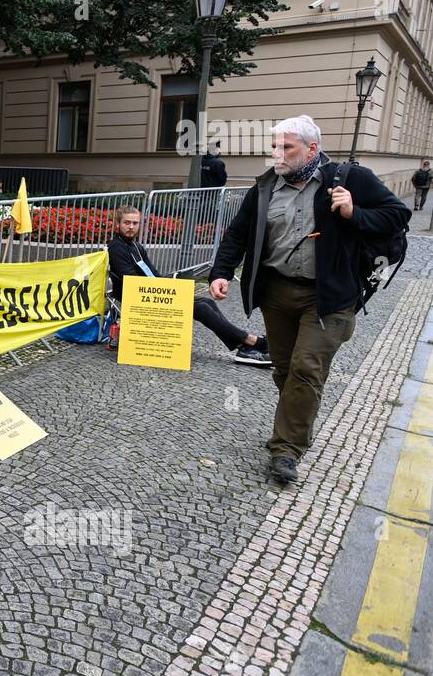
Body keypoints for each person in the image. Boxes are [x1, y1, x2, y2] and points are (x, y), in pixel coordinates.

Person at [209, 115, 411, 485]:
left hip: (330, 297)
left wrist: (354, 212)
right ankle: (298, 418)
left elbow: (398, 215)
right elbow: (237, 234)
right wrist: (221, 272)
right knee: (285, 370)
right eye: (274, 147)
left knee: (305, 368)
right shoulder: (265, 187)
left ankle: (286, 448)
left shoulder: (351, 180)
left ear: (311, 149)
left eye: (286, 148)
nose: (277, 155)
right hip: (278, 293)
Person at [107, 205, 270, 365]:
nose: (131, 227)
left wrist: (172, 288)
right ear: (118, 224)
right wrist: (164, 290)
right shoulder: (116, 247)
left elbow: (154, 274)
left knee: (207, 302)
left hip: (151, 293)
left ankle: (243, 345)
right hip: (135, 298)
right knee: (202, 308)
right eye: (126, 223)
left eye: (135, 223)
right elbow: (130, 278)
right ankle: (252, 341)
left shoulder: (137, 246)